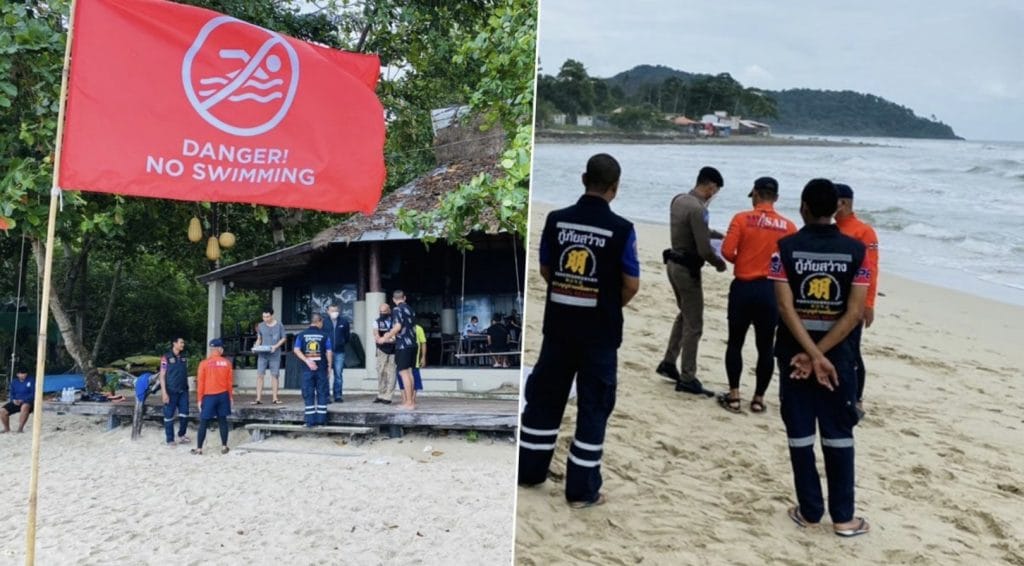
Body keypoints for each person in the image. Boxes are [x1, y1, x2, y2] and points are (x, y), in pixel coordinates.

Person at [518, 153, 640, 508]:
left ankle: (529, 471)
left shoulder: (556, 220)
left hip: (558, 326)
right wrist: (604, 304)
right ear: (615, 188)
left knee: (545, 397)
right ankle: (582, 490)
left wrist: (570, 292)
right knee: (594, 405)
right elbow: (631, 284)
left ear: (583, 179)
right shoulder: (622, 229)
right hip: (599, 334)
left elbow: (546, 268)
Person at [769, 178, 871, 537]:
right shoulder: (857, 251)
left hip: (794, 357)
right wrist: (822, 355)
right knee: (838, 432)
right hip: (838, 360)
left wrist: (810, 354)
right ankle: (843, 518)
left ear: (804, 208)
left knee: (799, 432)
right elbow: (855, 312)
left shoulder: (784, 248)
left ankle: (811, 510)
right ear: (837, 210)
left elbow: (785, 307)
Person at [718, 177, 797, 413]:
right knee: (765, 346)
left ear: (755, 193)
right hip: (770, 290)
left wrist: (742, 260)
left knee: (735, 341)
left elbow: (726, 251)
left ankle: (734, 394)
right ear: (776, 198)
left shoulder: (741, 219)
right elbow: (791, 261)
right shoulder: (788, 226)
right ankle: (758, 398)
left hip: (743, 286)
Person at [657, 166, 727, 394]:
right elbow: (704, 248)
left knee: (684, 314)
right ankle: (687, 377)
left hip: (673, 264)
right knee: (694, 324)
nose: (714, 195)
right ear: (710, 186)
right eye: (715, 191)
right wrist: (719, 263)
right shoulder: (699, 209)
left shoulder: (679, 200)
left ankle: (669, 362)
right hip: (687, 270)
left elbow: (694, 230)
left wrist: (719, 235)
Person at [834, 183, 879, 413]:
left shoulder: (864, 231)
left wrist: (868, 304)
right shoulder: (830, 228)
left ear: (842, 203)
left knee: (852, 350)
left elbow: (872, 269)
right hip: (832, 298)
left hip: (854, 301)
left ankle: (857, 398)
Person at [192, 339, 234, 455]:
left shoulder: (204, 363)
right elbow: (229, 382)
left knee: (204, 422)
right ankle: (224, 446)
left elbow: (200, 383)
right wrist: (230, 397)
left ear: (211, 349)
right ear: (220, 349)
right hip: (223, 395)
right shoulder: (227, 363)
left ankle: (199, 448)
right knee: (222, 420)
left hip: (209, 396)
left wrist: (199, 399)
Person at [293, 314, 333, 427]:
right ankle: (321, 421)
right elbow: (329, 352)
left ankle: (310, 421)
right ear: (319, 322)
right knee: (322, 392)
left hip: (307, 369)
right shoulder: (325, 335)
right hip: (321, 369)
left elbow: (296, 350)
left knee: (308, 393)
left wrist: (307, 360)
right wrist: (329, 366)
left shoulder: (301, 335)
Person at [380, 290, 417, 411]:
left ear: (393, 299)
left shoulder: (397, 309)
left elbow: (398, 326)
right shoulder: (410, 309)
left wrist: (386, 337)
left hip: (403, 345)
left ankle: (409, 403)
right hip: (412, 344)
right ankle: (411, 401)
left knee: (403, 373)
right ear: (404, 298)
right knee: (409, 373)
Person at [158, 337, 191, 446]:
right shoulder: (166, 358)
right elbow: (162, 376)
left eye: (183, 342)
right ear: (174, 343)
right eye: (181, 342)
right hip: (170, 391)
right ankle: (170, 439)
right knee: (169, 416)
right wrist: (164, 392)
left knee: (185, 414)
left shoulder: (184, 357)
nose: (183, 344)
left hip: (183, 391)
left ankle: (181, 435)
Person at [253, 307, 285, 405]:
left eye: (267, 317)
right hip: (263, 353)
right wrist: (256, 347)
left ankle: (275, 398)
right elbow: (259, 338)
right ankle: (258, 399)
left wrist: (276, 346)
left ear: (272, 315)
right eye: (263, 317)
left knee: (274, 375)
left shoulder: (279, 325)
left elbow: (283, 338)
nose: (265, 319)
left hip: (275, 353)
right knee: (260, 375)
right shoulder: (260, 325)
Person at [324, 304, 351, 403]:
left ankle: (338, 395)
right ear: (327, 311)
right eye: (332, 310)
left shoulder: (344, 322)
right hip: (326, 352)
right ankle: (326, 396)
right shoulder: (323, 322)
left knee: (338, 374)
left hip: (339, 352)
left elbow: (347, 337)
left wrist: (342, 343)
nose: (334, 312)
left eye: (336, 310)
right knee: (326, 374)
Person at [372, 303, 397, 404]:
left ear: (389, 311)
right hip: (381, 350)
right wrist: (387, 339)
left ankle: (388, 396)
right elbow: (376, 336)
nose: (383, 313)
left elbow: (395, 337)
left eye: (385, 311)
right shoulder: (376, 322)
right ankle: (381, 394)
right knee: (381, 371)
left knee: (391, 372)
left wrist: (386, 339)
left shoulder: (395, 321)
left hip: (393, 351)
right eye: (381, 312)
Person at [1, 367, 35, 433]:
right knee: (2, 411)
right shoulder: (14, 382)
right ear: (17, 374)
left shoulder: (31, 380)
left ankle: (20, 429)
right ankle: (6, 429)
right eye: (21, 373)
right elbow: (11, 393)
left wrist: (23, 400)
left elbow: (33, 393)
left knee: (24, 407)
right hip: (16, 401)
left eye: (24, 373)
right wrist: (13, 400)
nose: (23, 375)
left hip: (28, 402)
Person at [398, 322, 427, 399]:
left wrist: (423, 357)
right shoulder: (398, 327)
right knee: (401, 380)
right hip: (401, 358)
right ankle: (405, 399)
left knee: (415, 380)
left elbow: (423, 343)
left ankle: (412, 399)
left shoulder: (418, 328)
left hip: (414, 360)